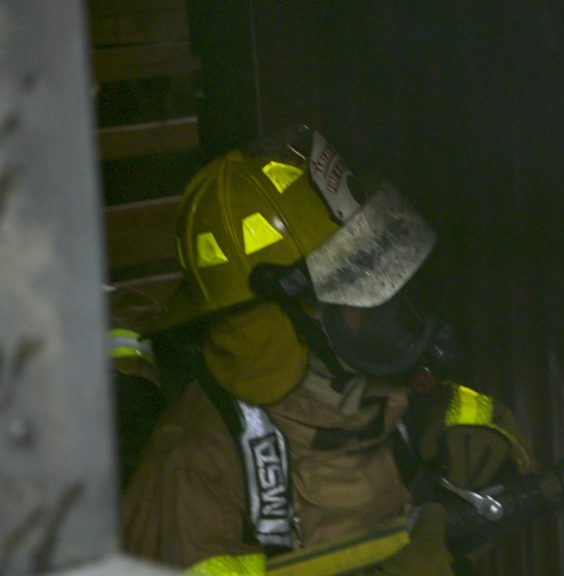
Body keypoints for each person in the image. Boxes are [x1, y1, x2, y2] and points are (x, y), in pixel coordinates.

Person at [122, 127, 533, 575]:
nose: (387, 304)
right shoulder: (195, 473)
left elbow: (482, 439)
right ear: (275, 325)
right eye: (358, 286)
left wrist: (489, 453)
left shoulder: (362, 388)